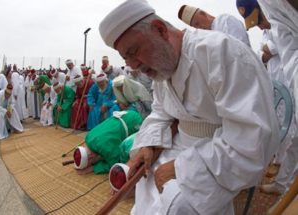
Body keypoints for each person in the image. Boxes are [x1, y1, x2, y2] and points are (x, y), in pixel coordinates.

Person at [99, 0, 279, 214]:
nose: (131, 65)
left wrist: (181, 169)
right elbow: (160, 112)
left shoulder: (222, 53)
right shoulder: (161, 68)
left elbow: (252, 142)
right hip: (180, 148)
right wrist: (147, 145)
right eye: (125, 57)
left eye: (133, 51)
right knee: (144, 189)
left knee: (179, 206)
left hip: (220, 158)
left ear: (160, 29)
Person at [237, 0, 298, 197]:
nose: (261, 25)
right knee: (293, 140)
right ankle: (284, 185)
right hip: (288, 90)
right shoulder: (275, 28)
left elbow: (270, 51)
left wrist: (266, 52)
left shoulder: (279, 26)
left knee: (292, 137)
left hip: (291, 89)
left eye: (260, 19)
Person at [74, 110, 143, 174]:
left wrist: (93, 168)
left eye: (91, 162)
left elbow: (114, 164)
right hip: (127, 113)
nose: (92, 164)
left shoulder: (106, 149)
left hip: (135, 122)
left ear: (91, 157)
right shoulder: (88, 137)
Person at [178, 5, 251, 47]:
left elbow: (242, 47)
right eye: (195, 27)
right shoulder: (208, 38)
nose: (199, 27)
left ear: (202, 14)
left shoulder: (225, 20)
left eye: (197, 23)